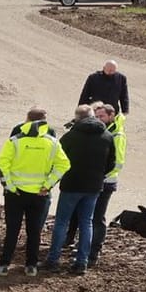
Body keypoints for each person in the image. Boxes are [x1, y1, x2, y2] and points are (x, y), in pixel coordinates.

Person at [0, 108, 69, 277]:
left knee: (12, 230)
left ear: (26, 120)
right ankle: (31, 266)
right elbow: (64, 165)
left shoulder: (15, 141)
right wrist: (48, 185)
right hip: (39, 195)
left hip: (15, 193)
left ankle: (3, 265)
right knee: (34, 231)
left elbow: (2, 165)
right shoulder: (52, 142)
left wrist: (9, 186)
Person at [44, 104, 115, 275]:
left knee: (62, 222)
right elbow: (111, 163)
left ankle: (53, 260)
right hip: (94, 187)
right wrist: (98, 175)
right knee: (87, 223)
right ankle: (82, 262)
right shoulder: (107, 136)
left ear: (77, 118)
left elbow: (58, 160)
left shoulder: (70, 137)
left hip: (71, 185)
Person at [88, 102, 127, 267]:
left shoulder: (117, 135)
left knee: (98, 217)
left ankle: (95, 251)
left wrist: (100, 176)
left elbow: (118, 163)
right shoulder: (104, 132)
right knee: (90, 217)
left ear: (111, 116)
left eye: (102, 116)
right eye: (96, 117)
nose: (99, 119)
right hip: (95, 181)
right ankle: (88, 247)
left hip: (105, 183)